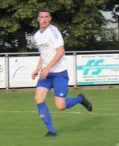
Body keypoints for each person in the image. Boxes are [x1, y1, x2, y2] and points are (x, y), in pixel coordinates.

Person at [31, 8, 92, 137]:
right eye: (41, 17)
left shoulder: (53, 31)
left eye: (47, 17)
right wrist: (38, 68)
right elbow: (44, 54)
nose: (44, 19)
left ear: (50, 19)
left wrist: (47, 68)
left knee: (60, 106)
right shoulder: (37, 35)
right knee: (38, 98)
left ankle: (80, 99)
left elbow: (60, 52)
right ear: (38, 19)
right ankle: (51, 131)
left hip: (59, 73)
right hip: (46, 74)